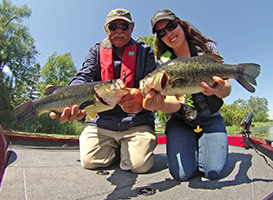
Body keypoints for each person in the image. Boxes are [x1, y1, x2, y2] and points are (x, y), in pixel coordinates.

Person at [50, 8, 157, 173]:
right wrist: (70, 96)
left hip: (136, 122)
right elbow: (83, 77)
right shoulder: (96, 51)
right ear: (106, 29)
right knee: (89, 161)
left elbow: (155, 84)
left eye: (124, 26)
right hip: (102, 122)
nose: (119, 31)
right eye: (113, 27)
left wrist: (142, 98)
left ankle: (128, 147)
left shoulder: (145, 51)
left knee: (139, 165)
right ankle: (117, 149)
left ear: (132, 28)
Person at [143, 9, 231, 181]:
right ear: (160, 38)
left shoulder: (206, 48)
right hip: (180, 120)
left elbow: (226, 90)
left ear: (180, 24)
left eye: (171, 26)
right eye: (162, 32)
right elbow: (174, 103)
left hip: (211, 118)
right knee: (181, 174)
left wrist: (216, 90)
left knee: (213, 171)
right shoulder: (163, 62)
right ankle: (194, 144)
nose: (169, 33)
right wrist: (159, 105)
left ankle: (204, 144)